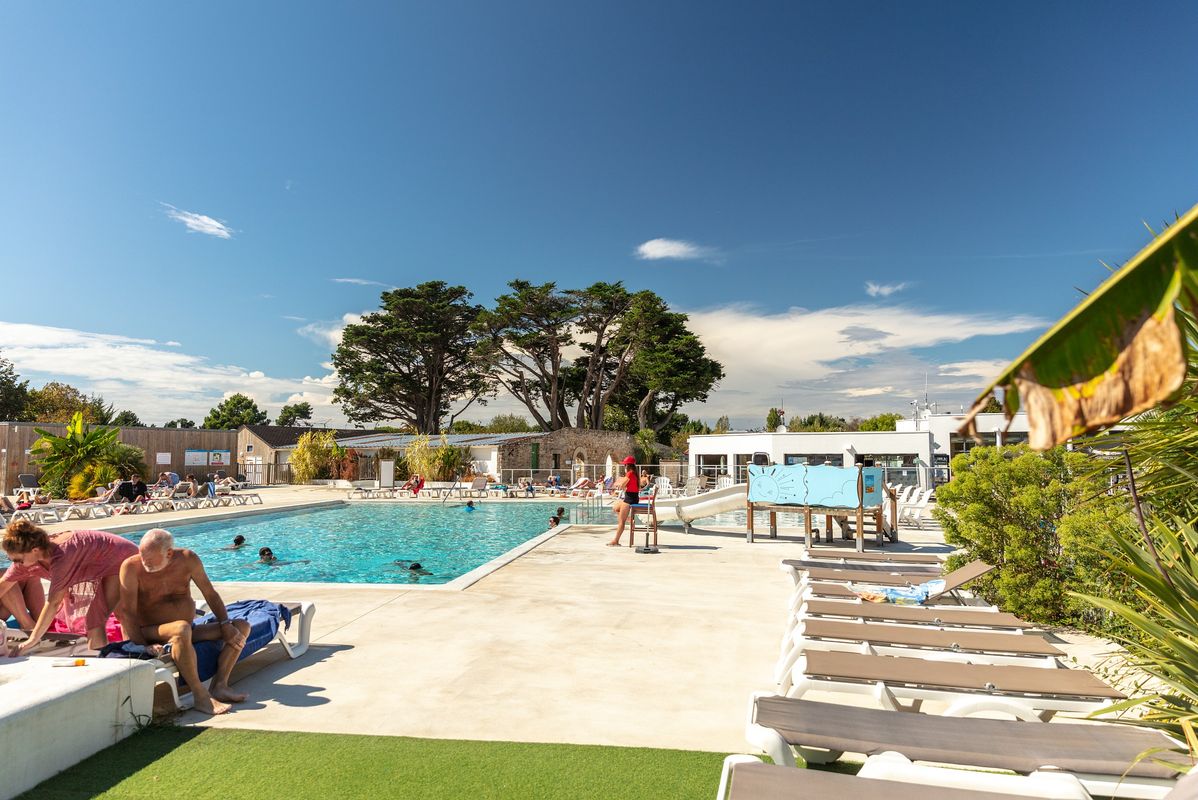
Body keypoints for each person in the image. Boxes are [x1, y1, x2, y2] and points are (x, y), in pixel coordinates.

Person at [117, 529, 250, 715]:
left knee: (241, 627)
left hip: (186, 630)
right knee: (181, 628)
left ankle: (220, 685)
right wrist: (141, 646)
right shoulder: (131, 567)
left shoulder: (188, 559)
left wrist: (225, 624)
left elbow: (210, 593)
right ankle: (200, 696)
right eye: (142, 555)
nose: (144, 562)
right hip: (149, 632)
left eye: (150, 558)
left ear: (169, 553)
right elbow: (127, 613)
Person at [1, 521, 138, 652]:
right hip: (101, 563)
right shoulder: (27, 558)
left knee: (96, 619)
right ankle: (131, 651)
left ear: (35, 550)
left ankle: (109, 660)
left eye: (18, 560)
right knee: (120, 614)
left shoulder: (62, 555)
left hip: (123, 559)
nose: (16, 564)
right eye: (12, 560)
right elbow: (3, 586)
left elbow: (53, 602)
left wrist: (32, 639)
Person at [606, 456, 639, 547]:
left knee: (621, 522)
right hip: (631, 497)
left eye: (624, 465)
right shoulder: (633, 473)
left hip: (630, 499)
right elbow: (626, 486)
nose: (624, 466)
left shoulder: (630, 473)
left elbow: (622, 486)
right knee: (615, 508)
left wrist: (620, 483)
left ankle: (615, 540)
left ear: (627, 465)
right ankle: (629, 520)